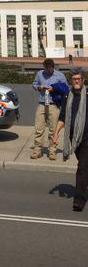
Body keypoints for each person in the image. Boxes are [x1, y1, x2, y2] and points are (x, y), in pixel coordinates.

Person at [52, 68, 88, 212]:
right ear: (71, 81)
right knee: (84, 166)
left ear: (83, 80)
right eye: (74, 79)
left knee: (82, 168)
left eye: (79, 79)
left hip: (87, 137)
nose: (76, 81)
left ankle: (79, 200)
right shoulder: (68, 96)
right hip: (74, 138)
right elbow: (63, 117)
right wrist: (56, 134)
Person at [31, 58, 68, 160]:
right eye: (46, 68)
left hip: (54, 105)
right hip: (42, 104)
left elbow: (66, 88)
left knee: (53, 130)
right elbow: (34, 84)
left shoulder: (60, 75)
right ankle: (37, 150)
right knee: (39, 129)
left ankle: (52, 151)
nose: (47, 70)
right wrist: (39, 87)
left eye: (49, 68)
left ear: (53, 67)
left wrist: (55, 88)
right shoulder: (40, 74)